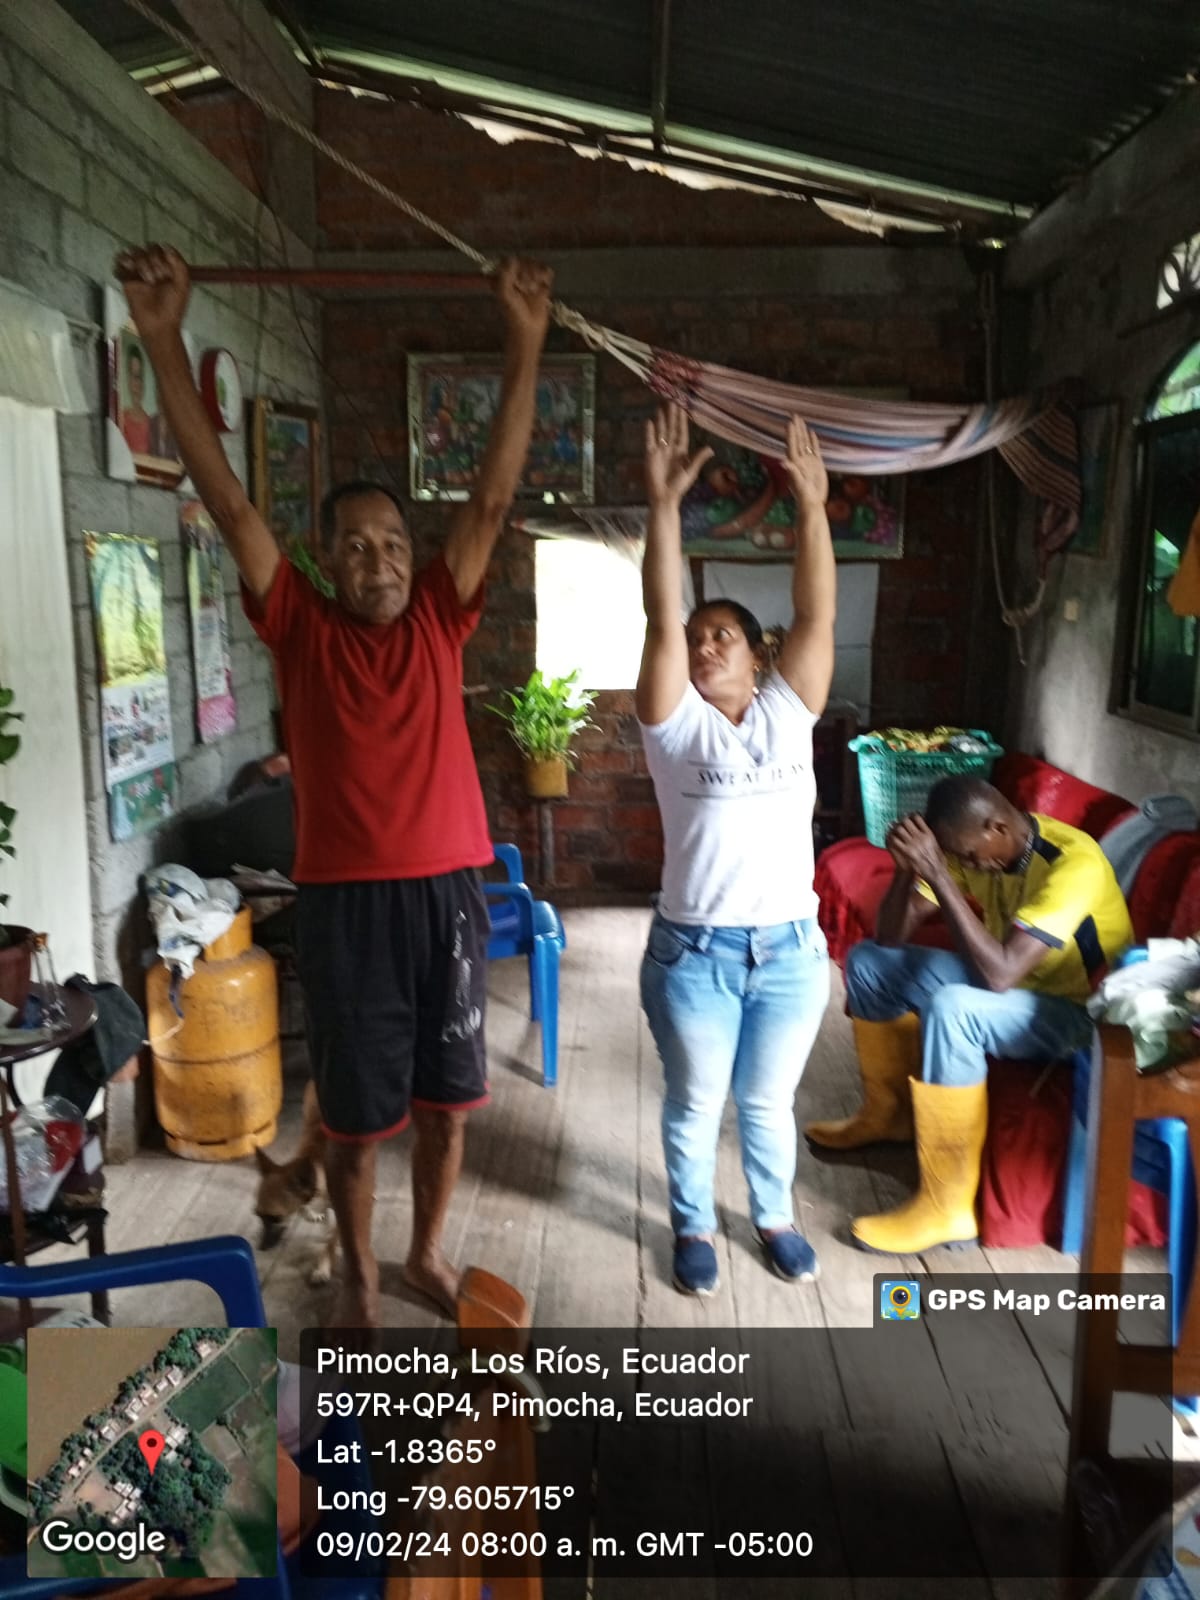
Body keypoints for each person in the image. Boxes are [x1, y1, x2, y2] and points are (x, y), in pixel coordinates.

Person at [116, 242, 554, 1326]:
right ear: (324, 561)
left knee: (449, 1107)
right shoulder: (299, 627)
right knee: (355, 1121)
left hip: (446, 893)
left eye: (394, 542)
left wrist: (526, 340)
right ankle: (359, 1274)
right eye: (355, 546)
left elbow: (494, 496)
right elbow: (229, 502)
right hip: (349, 906)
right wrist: (163, 335)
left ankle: (425, 1255)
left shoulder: (442, 615)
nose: (380, 560)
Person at [636, 402, 836, 1296]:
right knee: (695, 1101)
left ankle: (774, 1217)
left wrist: (813, 505)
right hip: (696, 955)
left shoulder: (790, 713)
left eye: (722, 635)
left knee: (766, 1102)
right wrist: (663, 506)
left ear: (758, 654)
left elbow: (816, 614)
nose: (703, 644)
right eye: (697, 637)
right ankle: (692, 1224)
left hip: (790, 950)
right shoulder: (674, 726)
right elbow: (660, 617)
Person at [808, 775, 1134, 1254]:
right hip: (1018, 990)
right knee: (870, 963)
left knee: (955, 1009)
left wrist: (940, 876)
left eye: (968, 855)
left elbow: (1000, 974)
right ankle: (889, 1114)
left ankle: (948, 1209)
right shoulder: (979, 847)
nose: (967, 865)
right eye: (957, 859)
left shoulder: (1073, 864)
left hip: (1083, 1019)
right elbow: (891, 937)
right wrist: (907, 871)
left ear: (997, 827)